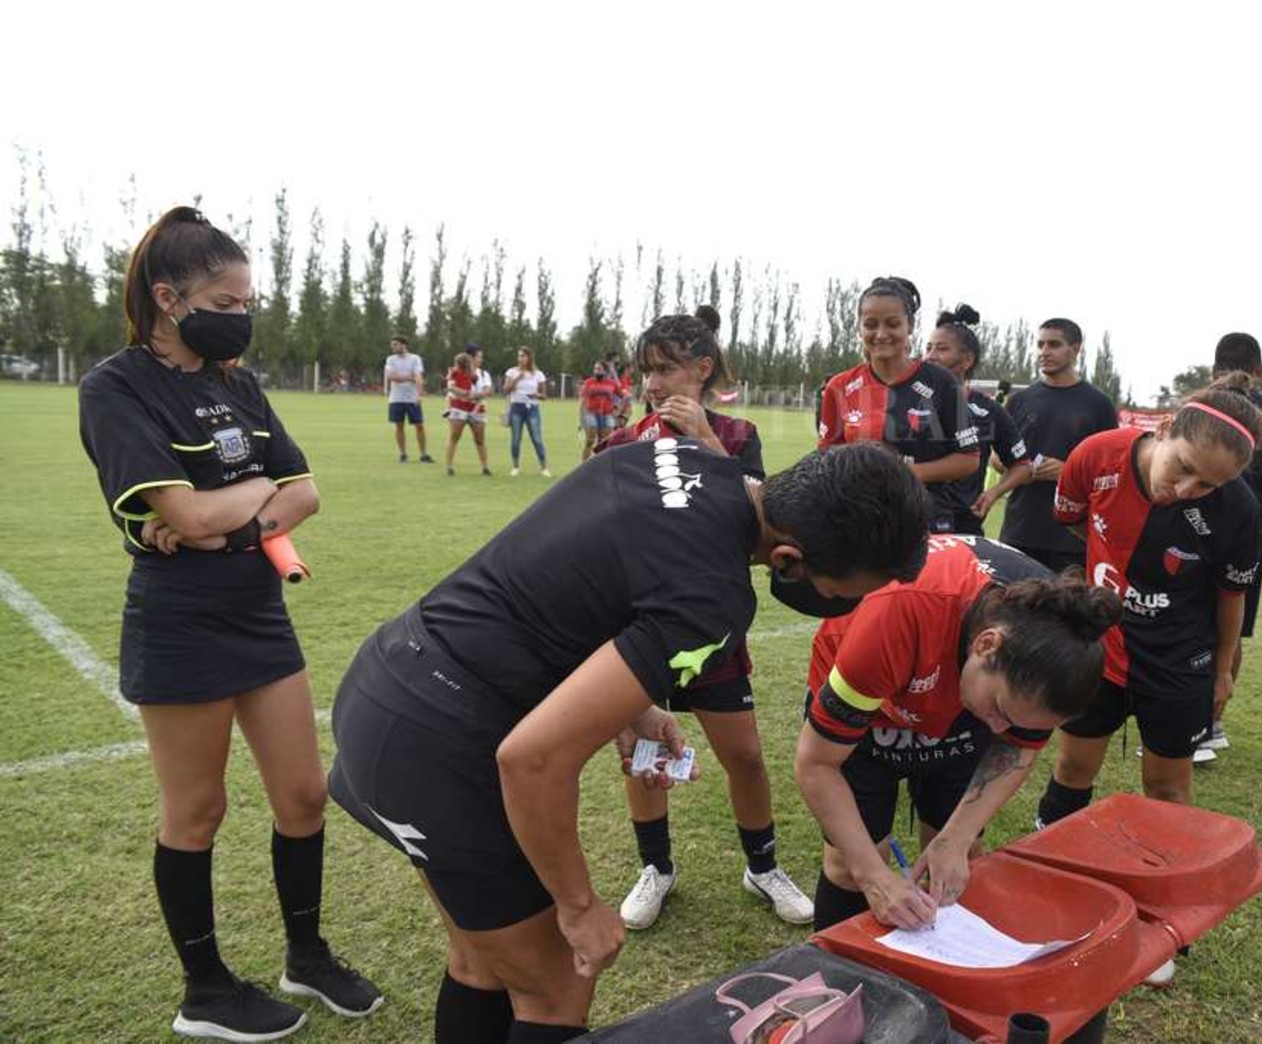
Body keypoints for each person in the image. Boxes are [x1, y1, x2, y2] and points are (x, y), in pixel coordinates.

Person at [327, 438, 929, 1043]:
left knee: (482, 961)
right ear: (790, 559)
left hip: (386, 684)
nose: (843, 606)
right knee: (558, 983)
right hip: (438, 747)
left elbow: (586, 580)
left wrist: (634, 706)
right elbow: (532, 761)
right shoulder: (711, 598)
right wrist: (579, 905)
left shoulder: (683, 456)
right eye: (844, 593)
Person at [77, 207, 381, 1041]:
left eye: (247, 296)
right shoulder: (114, 386)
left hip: (256, 610)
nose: (241, 312)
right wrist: (248, 503)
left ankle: (306, 957)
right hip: (178, 623)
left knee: (303, 796)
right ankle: (204, 991)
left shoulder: (236, 383)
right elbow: (181, 511)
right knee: (197, 812)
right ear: (170, 298)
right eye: (225, 296)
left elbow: (304, 493)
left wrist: (231, 516)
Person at [595, 306, 813, 930]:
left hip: (710, 627)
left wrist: (707, 444)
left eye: (667, 370)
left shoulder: (738, 435)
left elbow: (761, 523)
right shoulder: (619, 443)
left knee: (742, 754)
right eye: (647, 372)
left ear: (703, 369)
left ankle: (762, 865)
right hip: (637, 626)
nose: (654, 384)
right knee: (641, 752)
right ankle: (656, 868)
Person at [796, 535, 1119, 931]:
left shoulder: (1059, 638)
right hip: (872, 713)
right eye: (1002, 712)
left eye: (1016, 723)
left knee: (955, 863)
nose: (1000, 730)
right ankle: (838, 983)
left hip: (961, 699)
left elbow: (1017, 749)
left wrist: (958, 836)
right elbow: (817, 764)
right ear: (987, 645)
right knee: (849, 867)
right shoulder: (901, 612)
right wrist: (875, 879)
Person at [1035, 374, 1262, 828]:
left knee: (1167, 788)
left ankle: (1164, 884)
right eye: (1182, 468)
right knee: (1072, 768)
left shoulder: (1240, 511)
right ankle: (1047, 861)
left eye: (1207, 485)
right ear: (1164, 428)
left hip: (1178, 660)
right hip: (1099, 647)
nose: (1186, 490)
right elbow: (1074, 519)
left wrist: (1223, 670)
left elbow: (1231, 599)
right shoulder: (1096, 454)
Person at [1199, 333, 1262, 756]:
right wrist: (1257, 520)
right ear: (1259, 369)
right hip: (1248, 540)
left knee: (1186, 624)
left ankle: (1191, 723)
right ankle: (1212, 723)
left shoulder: (1198, 408)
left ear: (1214, 367)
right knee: (1230, 627)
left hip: (1194, 530)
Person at [817, 275, 979, 532]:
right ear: (859, 327)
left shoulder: (942, 383)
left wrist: (902, 471)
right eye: (870, 324)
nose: (881, 334)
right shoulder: (839, 387)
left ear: (910, 324)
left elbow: (969, 459)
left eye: (892, 324)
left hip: (925, 518)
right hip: (859, 519)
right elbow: (826, 456)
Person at [984, 319, 1119, 571]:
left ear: (1075, 349)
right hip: (1020, 531)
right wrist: (1017, 468)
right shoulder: (1018, 401)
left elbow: (1112, 472)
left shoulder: (1099, 405)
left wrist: (1068, 472)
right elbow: (997, 458)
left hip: (1072, 538)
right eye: (1040, 344)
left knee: (1069, 610)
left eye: (1054, 344)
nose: (1044, 352)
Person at [922, 303, 1028, 536]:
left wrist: (993, 494)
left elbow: (1021, 465)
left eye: (941, 349)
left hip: (964, 524)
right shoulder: (909, 399)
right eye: (928, 347)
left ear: (967, 360)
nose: (930, 356)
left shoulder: (988, 410)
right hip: (914, 517)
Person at [503, 346, 552, 478]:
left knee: (537, 439)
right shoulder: (511, 372)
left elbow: (544, 396)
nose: (520, 359)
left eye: (523, 356)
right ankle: (515, 466)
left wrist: (537, 395)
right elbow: (506, 389)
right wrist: (517, 378)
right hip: (516, 407)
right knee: (515, 439)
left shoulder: (538, 374)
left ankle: (544, 467)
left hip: (532, 408)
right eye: (519, 356)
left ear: (529, 357)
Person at [385, 334, 434, 463]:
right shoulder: (390, 359)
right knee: (399, 426)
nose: (393, 347)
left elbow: (418, 376)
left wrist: (419, 394)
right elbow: (391, 377)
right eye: (392, 345)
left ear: (403, 345)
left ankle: (423, 455)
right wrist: (409, 378)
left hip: (412, 398)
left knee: (419, 426)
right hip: (396, 398)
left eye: (395, 344)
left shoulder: (415, 359)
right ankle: (403, 454)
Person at [444, 350, 492, 476]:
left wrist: (474, 395)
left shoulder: (480, 374)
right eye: (479, 357)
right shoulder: (454, 372)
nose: (481, 359)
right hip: (459, 407)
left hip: (477, 408)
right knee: (454, 437)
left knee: (480, 439)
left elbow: (485, 391)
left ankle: (485, 467)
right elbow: (450, 388)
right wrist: (464, 393)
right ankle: (449, 466)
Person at [578, 361, 619, 461]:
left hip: (607, 414)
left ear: (605, 371)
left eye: (599, 369)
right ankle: (583, 467)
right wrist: (581, 418)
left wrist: (617, 409)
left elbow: (622, 396)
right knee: (590, 441)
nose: (596, 371)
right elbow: (583, 400)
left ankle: (599, 466)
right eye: (595, 369)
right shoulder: (589, 382)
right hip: (591, 413)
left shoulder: (612, 383)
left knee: (604, 443)